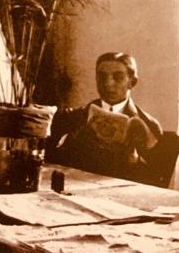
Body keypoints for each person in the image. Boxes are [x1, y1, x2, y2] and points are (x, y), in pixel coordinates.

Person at [45, 52, 163, 181]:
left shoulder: (149, 126)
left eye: (118, 77)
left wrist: (135, 160)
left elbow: (156, 178)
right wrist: (72, 143)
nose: (108, 83)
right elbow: (49, 162)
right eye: (102, 77)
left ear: (132, 82)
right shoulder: (71, 118)